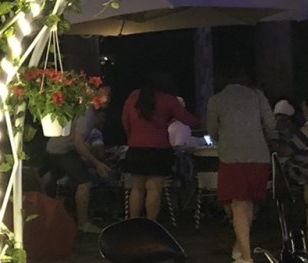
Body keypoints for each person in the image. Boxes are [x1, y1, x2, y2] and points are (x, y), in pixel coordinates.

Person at [205, 67, 274, 263]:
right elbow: (270, 124)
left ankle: (246, 256)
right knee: (248, 203)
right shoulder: (258, 96)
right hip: (259, 155)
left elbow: (211, 130)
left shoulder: (216, 100)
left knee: (238, 205)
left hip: (232, 157)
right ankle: (239, 246)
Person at [121, 72, 198, 221]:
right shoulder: (168, 99)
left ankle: (133, 223)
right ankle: (151, 224)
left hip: (136, 148)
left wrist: (132, 137)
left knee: (137, 188)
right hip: (158, 150)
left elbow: (125, 120)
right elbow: (188, 120)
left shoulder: (134, 96)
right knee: (154, 189)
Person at [45, 84, 113, 234]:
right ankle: (83, 223)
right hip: (63, 150)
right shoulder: (87, 113)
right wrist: (97, 163)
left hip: (53, 148)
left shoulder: (83, 109)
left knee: (53, 176)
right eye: (104, 95)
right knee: (85, 183)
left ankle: (45, 210)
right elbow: (78, 143)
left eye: (109, 95)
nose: (107, 99)